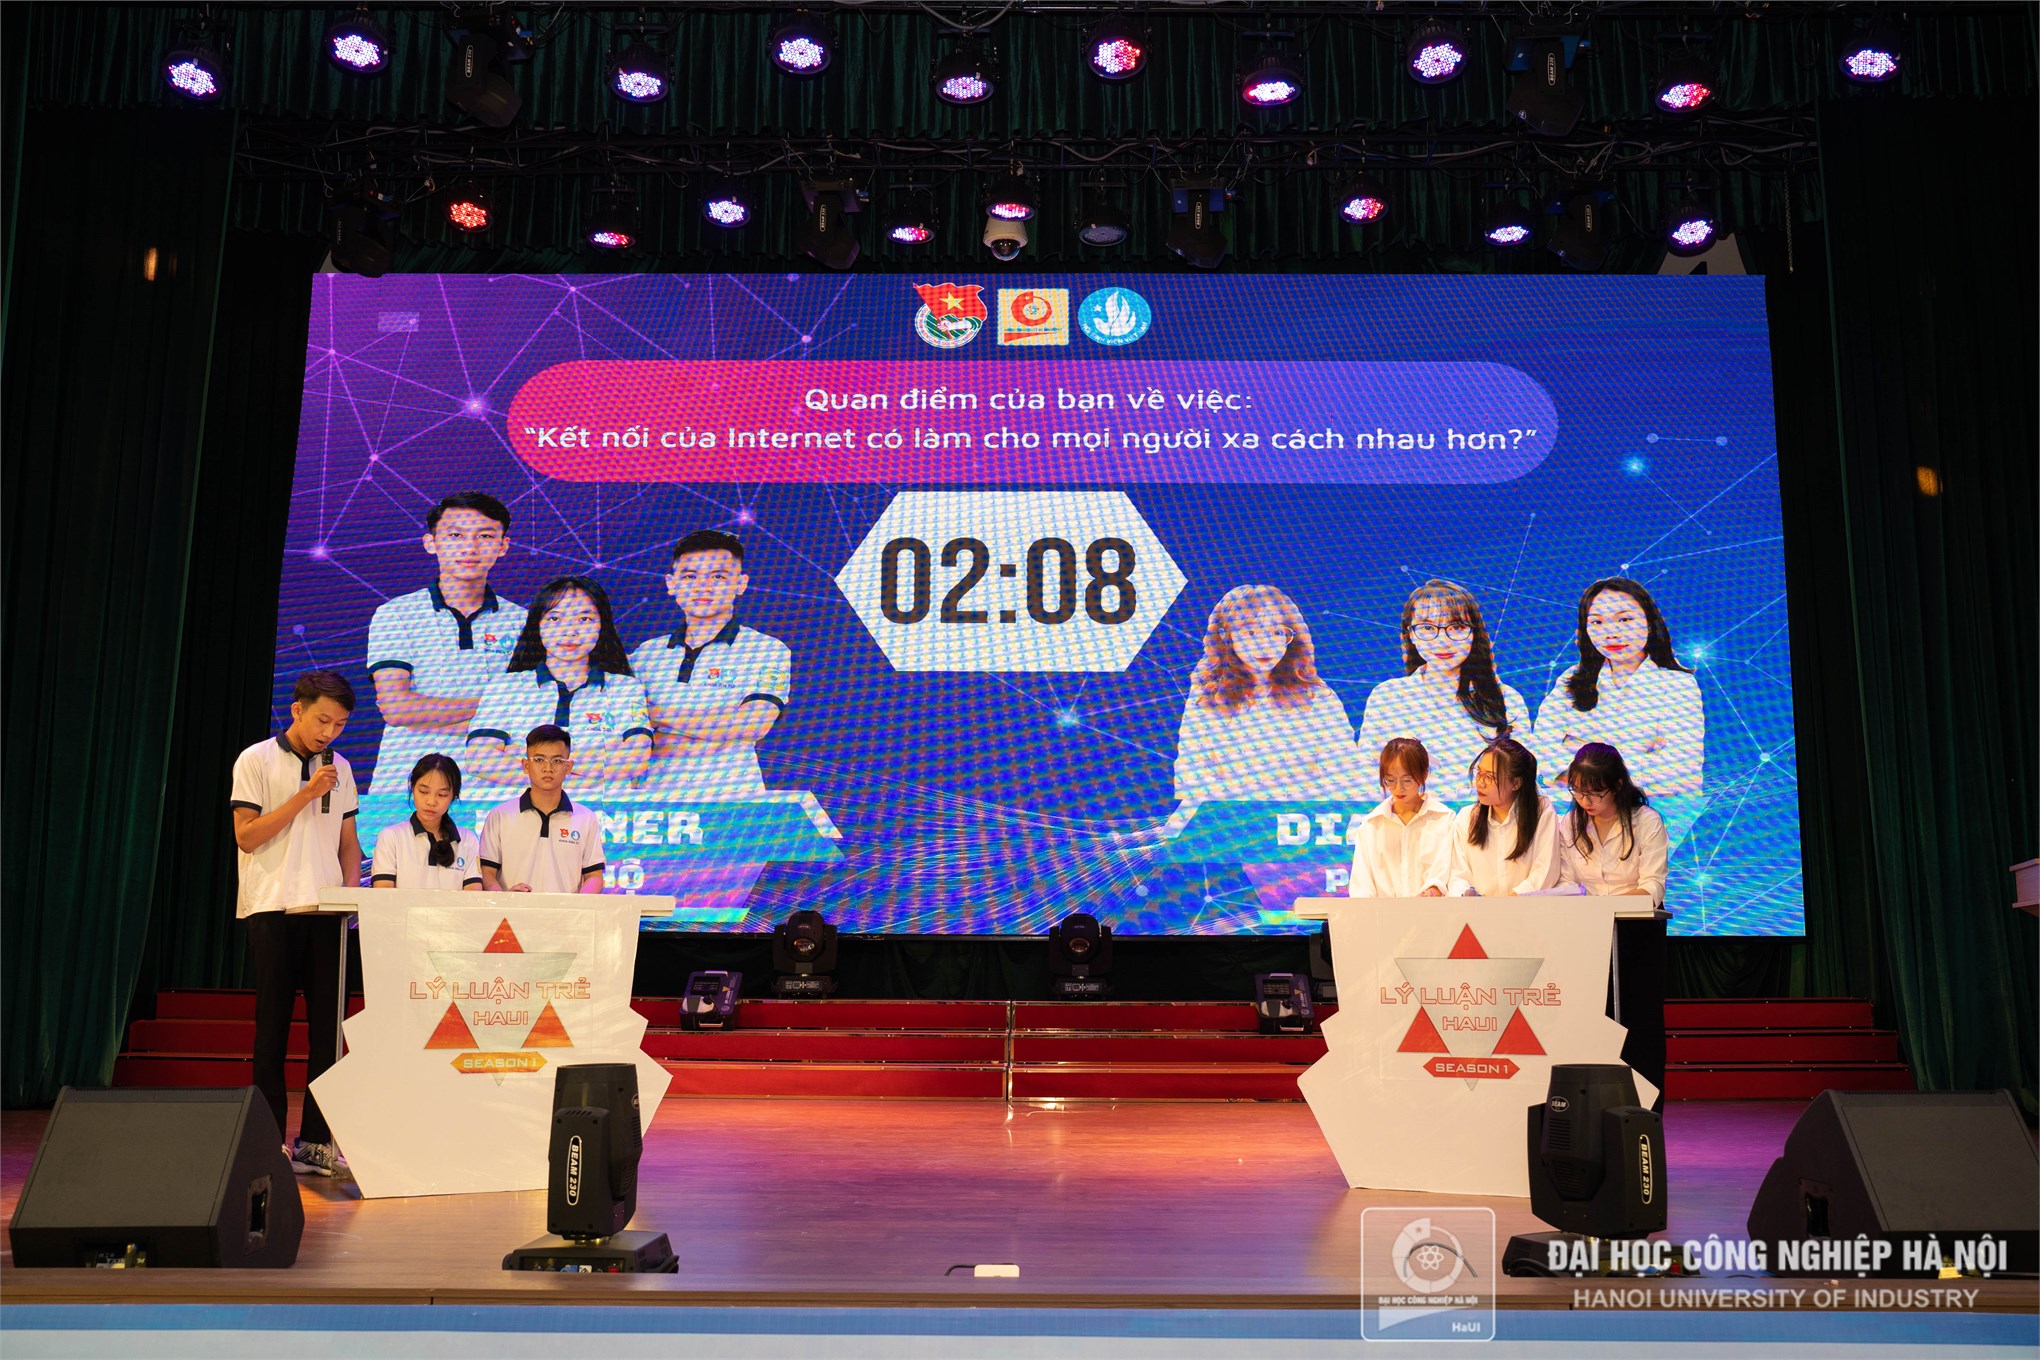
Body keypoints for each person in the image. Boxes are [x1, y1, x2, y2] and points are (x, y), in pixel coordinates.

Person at [229, 670, 361, 1178]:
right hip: (273, 907)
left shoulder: (341, 767)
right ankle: (268, 1142)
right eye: (323, 720)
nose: (330, 732)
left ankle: (316, 1142)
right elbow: (246, 836)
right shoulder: (256, 759)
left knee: (328, 1034)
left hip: (326, 913)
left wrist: (350, 897)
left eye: (340, 724)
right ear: (297, 710)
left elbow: (348, 843)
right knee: (273, 1031)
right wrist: (305, 794)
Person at [365, 492, 520, 792]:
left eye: (485, 536)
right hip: (405, 782)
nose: (470, 547)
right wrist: (492, 709)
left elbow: (526, 716)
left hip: (493, 786)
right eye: (455, 535)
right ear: (431, 543)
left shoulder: (522, 622)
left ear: (503, 546)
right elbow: (397, 708)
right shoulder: (396, 614)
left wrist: (425, 714)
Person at [629, 530, 792, 797]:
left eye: (718, 576)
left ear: (740, 584)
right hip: (653, 800)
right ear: (671, 584)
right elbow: (625, 733)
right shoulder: (645, 655)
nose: (702, 587)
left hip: (732, 799)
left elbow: (751, 725)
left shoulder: (766, 649)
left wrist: (655, 714)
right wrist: (714, 728)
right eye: (690, 576)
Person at [1171, 584, 1361, 803]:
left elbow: (1346, 774)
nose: (1265, 645)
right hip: (1228, 817)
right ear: (1225, 636)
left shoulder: (1318, 697)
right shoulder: (1206, 696)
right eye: (1251, 633)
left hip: (1301, 816)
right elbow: (1190, 773)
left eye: (1277, 632)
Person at [466, 576, 651, 789]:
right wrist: (587, 771)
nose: (570, 631)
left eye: (584, 619)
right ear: (537, 625)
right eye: (555, 619)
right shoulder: (505, 687)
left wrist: (528, 757)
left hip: (597, 810)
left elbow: (635, 760)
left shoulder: (625, 688)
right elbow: (480, 760)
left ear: (602, 626)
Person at [1356, 580, 1532, 804]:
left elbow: (1524, 780)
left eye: (1456, 627)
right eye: (1428, 628)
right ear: (1410, 634)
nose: (1443, 641)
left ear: (1474, 633)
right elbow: (1367, 777)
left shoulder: (1507, 700)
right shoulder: (1387, 696)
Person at [1534, 577, 1704, 796]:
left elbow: (1681, 769)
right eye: (1597, 622)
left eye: (1624, 619)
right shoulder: (1571, 678)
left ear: (1649, 623)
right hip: (1572, 803)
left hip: (1649, 807)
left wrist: (1577, 751)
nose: (1611, 633)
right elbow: (1541, 746)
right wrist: (1641, 757)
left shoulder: (1677, 685)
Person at [478, 724, 607, 894]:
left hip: (566, 910)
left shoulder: (586, 818)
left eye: (557, 761)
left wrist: (577, 904)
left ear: (568, 767)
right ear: (526, 765)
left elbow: (594, 876)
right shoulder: (500, 815)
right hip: (513, 910)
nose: (548, 768)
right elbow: (487, 874)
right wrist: (504, 898)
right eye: (539, 760)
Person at [1556, 743, 1669, 907]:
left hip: (1637, 914)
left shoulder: (1647, 821)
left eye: (1596, 793)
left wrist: (1606, 907)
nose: (1585, 801)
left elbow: (1653, 885)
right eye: (1578, 791)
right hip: (1590, 915)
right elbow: (1566, 881)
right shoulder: (1571, 823)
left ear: (1617, 785)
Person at [1447, 738, 1563, 897]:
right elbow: (1458, 875)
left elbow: (1545, 871)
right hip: (1477, 910)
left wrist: (1509, 904)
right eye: (1479, 773)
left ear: (1516, 783)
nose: (1480, 783)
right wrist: (1466, 896)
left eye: (1489, 777)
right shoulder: (1467, 817)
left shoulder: (1541, 811)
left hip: (1527, 908)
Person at [1347, 737, 1454, 899]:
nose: (1399, 788)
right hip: (1381, 913)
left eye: (1407, 780)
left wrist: (1433, 890)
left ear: (1424, 774)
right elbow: (1361, 885)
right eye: (1390, 780)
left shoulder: (1444, 820)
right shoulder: (1371, 825)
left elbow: (1445, 873)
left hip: (1431, 911)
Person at [370, 754, 483, 891]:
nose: (431, 801)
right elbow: (383, 896)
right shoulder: (391, 837)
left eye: (441, 795)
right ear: (412, 788)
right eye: (424, 792)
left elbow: (473, 897)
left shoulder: (467, 840)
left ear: (453, 796)